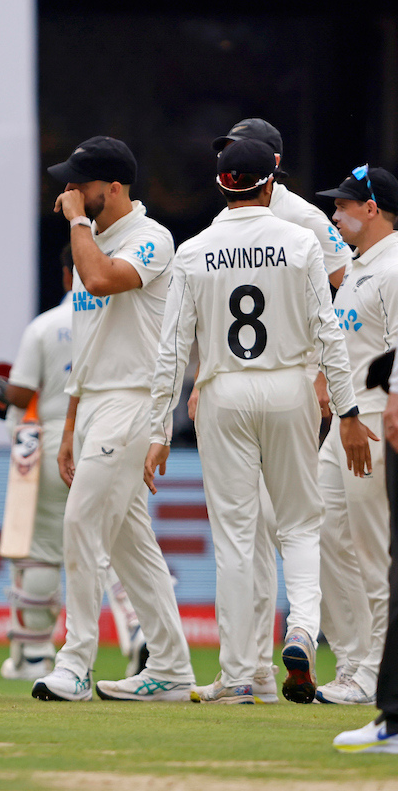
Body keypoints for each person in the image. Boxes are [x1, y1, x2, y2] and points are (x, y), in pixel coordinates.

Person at [146, 138, 373, 704]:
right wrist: (346, 410)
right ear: (269, 183)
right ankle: (301, 629)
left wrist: (157, 430)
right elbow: (329, 332)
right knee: (299, 524)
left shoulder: (195, 250)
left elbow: (172, 350)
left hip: (223, 392)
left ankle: (240, 673)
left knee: (236, 537)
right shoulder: (300, 242)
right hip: (289, 386)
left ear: (222, 185)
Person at [30, 136, 195, 703]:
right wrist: (72, 421)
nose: (69, 192)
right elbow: (88, 337)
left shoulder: (152, 240)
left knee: (80, 523)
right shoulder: (90, 243)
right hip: (94, 404)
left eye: (80, 183)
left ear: (115, 188)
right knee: (132, 548)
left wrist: (77, 225)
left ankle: (74, 663)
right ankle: (171, 668)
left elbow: (101, 280)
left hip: (133, 401)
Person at [207, 118, 355, 696]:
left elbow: (345, 296)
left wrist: (322, 376)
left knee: (263, 529)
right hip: (280, 389)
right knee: (277, 528)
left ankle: (273, 663)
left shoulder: (306, 221)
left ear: (268, 164)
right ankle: (254, 666)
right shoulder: (235, 222)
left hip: (278, 384)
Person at [0, 247, 150, 683]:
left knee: (39, 549)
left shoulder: (45, 326)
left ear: (64, 277)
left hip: (51, 439)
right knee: (118, 549)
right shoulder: (125, 320)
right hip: (113, 434)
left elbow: (18, 395)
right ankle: (138, 634)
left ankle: (34, 654)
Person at [312, 166, 398, 706]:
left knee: (374, 550)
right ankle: (354, 662)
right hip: (345, 420)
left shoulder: (394, 267)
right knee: (322, 536)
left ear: (372, 208)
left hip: (371, 419)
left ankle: (377, 672)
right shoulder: (360, 268)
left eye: (344, 205)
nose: (335, 214)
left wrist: (390, 410)